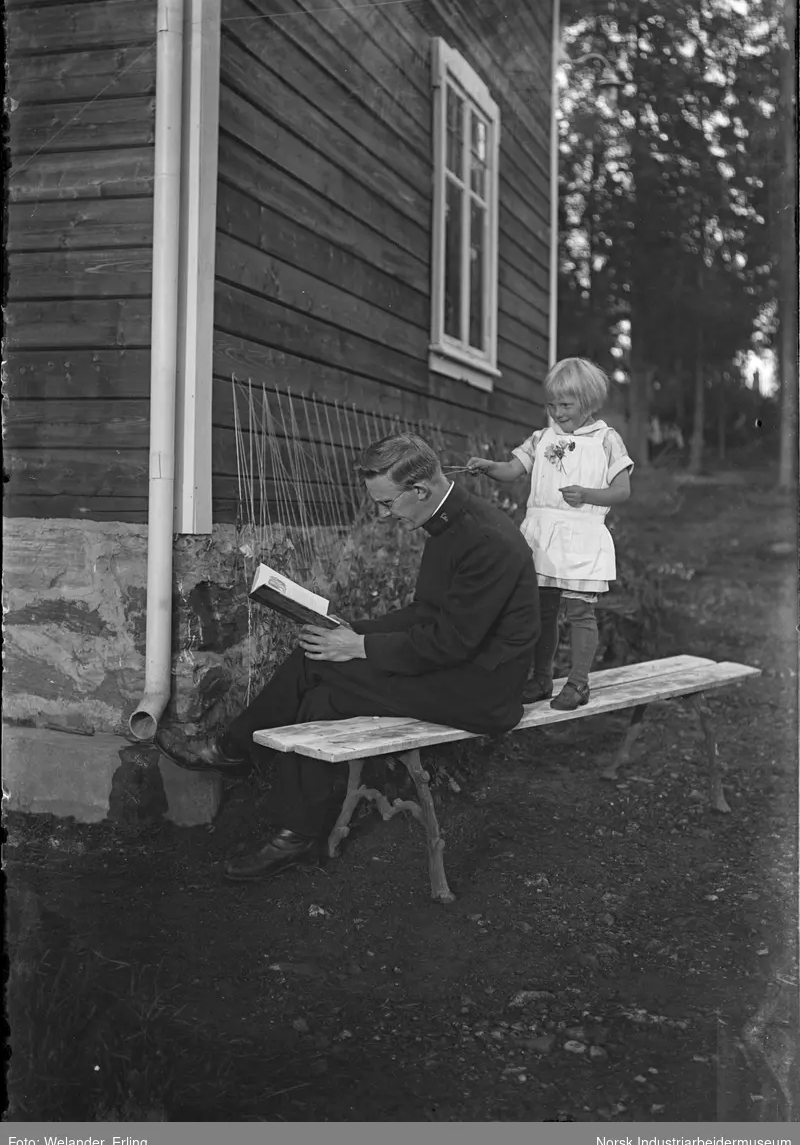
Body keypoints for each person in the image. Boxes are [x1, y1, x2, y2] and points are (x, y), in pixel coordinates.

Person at [161, 433, 540, 882]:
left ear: (419, 491)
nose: (383, 515)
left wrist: (356, 647)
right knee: (323, 701)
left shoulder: (483, 539)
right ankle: (296, 838)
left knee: (316, 663)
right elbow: (427, 613)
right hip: (458, 669)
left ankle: (232, 751)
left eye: (385, 503)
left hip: (482, 689)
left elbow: (450, 641)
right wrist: (352, 629)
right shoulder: (444, 521)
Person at [468, 357, 633, 712]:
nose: (557, 412)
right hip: (541, 536)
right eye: (552, 404)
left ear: (588, 402)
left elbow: (622, 490)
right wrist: (489, 467)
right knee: (541, 612)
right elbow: (514, 469)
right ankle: (542, 678)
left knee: (579, 612)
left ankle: (578, 683)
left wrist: (588, 495)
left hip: (582, 537)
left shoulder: (606, 440)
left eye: (566, 404)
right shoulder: (541, 438)